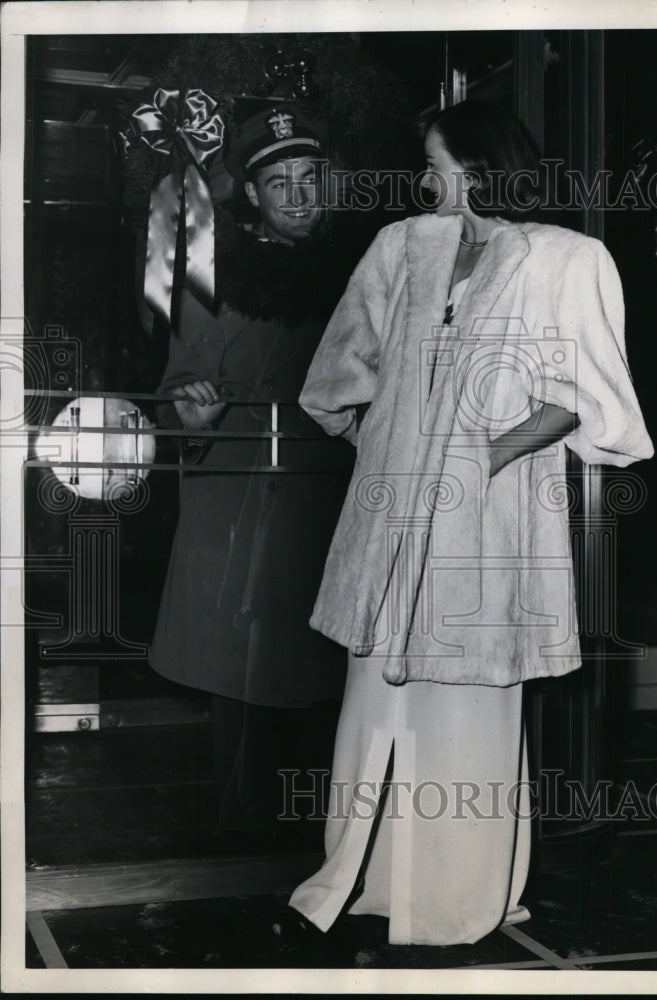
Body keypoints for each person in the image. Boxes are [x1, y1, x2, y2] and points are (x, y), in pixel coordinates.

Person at [272, 98, 654, 946]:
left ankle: (451, 906)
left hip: (491, 527)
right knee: (374, 711)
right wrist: (379, 440)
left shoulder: (568, 259)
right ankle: (360, 887)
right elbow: (339, 368)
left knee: (469, 718)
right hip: (390, 528)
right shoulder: (403, 248)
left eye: (437, 165)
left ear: (478, 168)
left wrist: (490, 451)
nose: (423, 180)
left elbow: (590, 396)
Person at [150, 106, 354, 845]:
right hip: (243, 507)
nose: (299, 196)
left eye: (310, 178)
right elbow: (178, 391)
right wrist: (193, 419)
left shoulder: (362, 273)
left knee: (329, 683)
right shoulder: (211, 283)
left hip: (335, 504)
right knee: (247, 686)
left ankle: (324, 847)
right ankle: (247, 849)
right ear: (255, 197)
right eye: (280, 182)